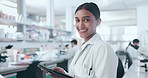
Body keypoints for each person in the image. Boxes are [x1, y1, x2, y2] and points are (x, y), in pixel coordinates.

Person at [50, 2, 118, 78]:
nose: (80, 25)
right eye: (77, 20)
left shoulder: (102, 48)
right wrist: (64, 75)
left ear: (98, 22)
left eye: (86, 20)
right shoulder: (81, 48)